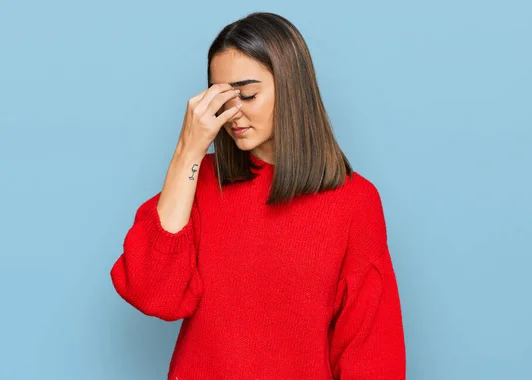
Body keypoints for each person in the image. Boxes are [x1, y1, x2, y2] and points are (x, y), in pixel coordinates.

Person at [110, 11, 406, 380]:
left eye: (247, 95)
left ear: (292, 87)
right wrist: (187, 151)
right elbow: (152, 294)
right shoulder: (199, 182)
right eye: (221, 99)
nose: (233, 114)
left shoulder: (353, 202)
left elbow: (372, 355)